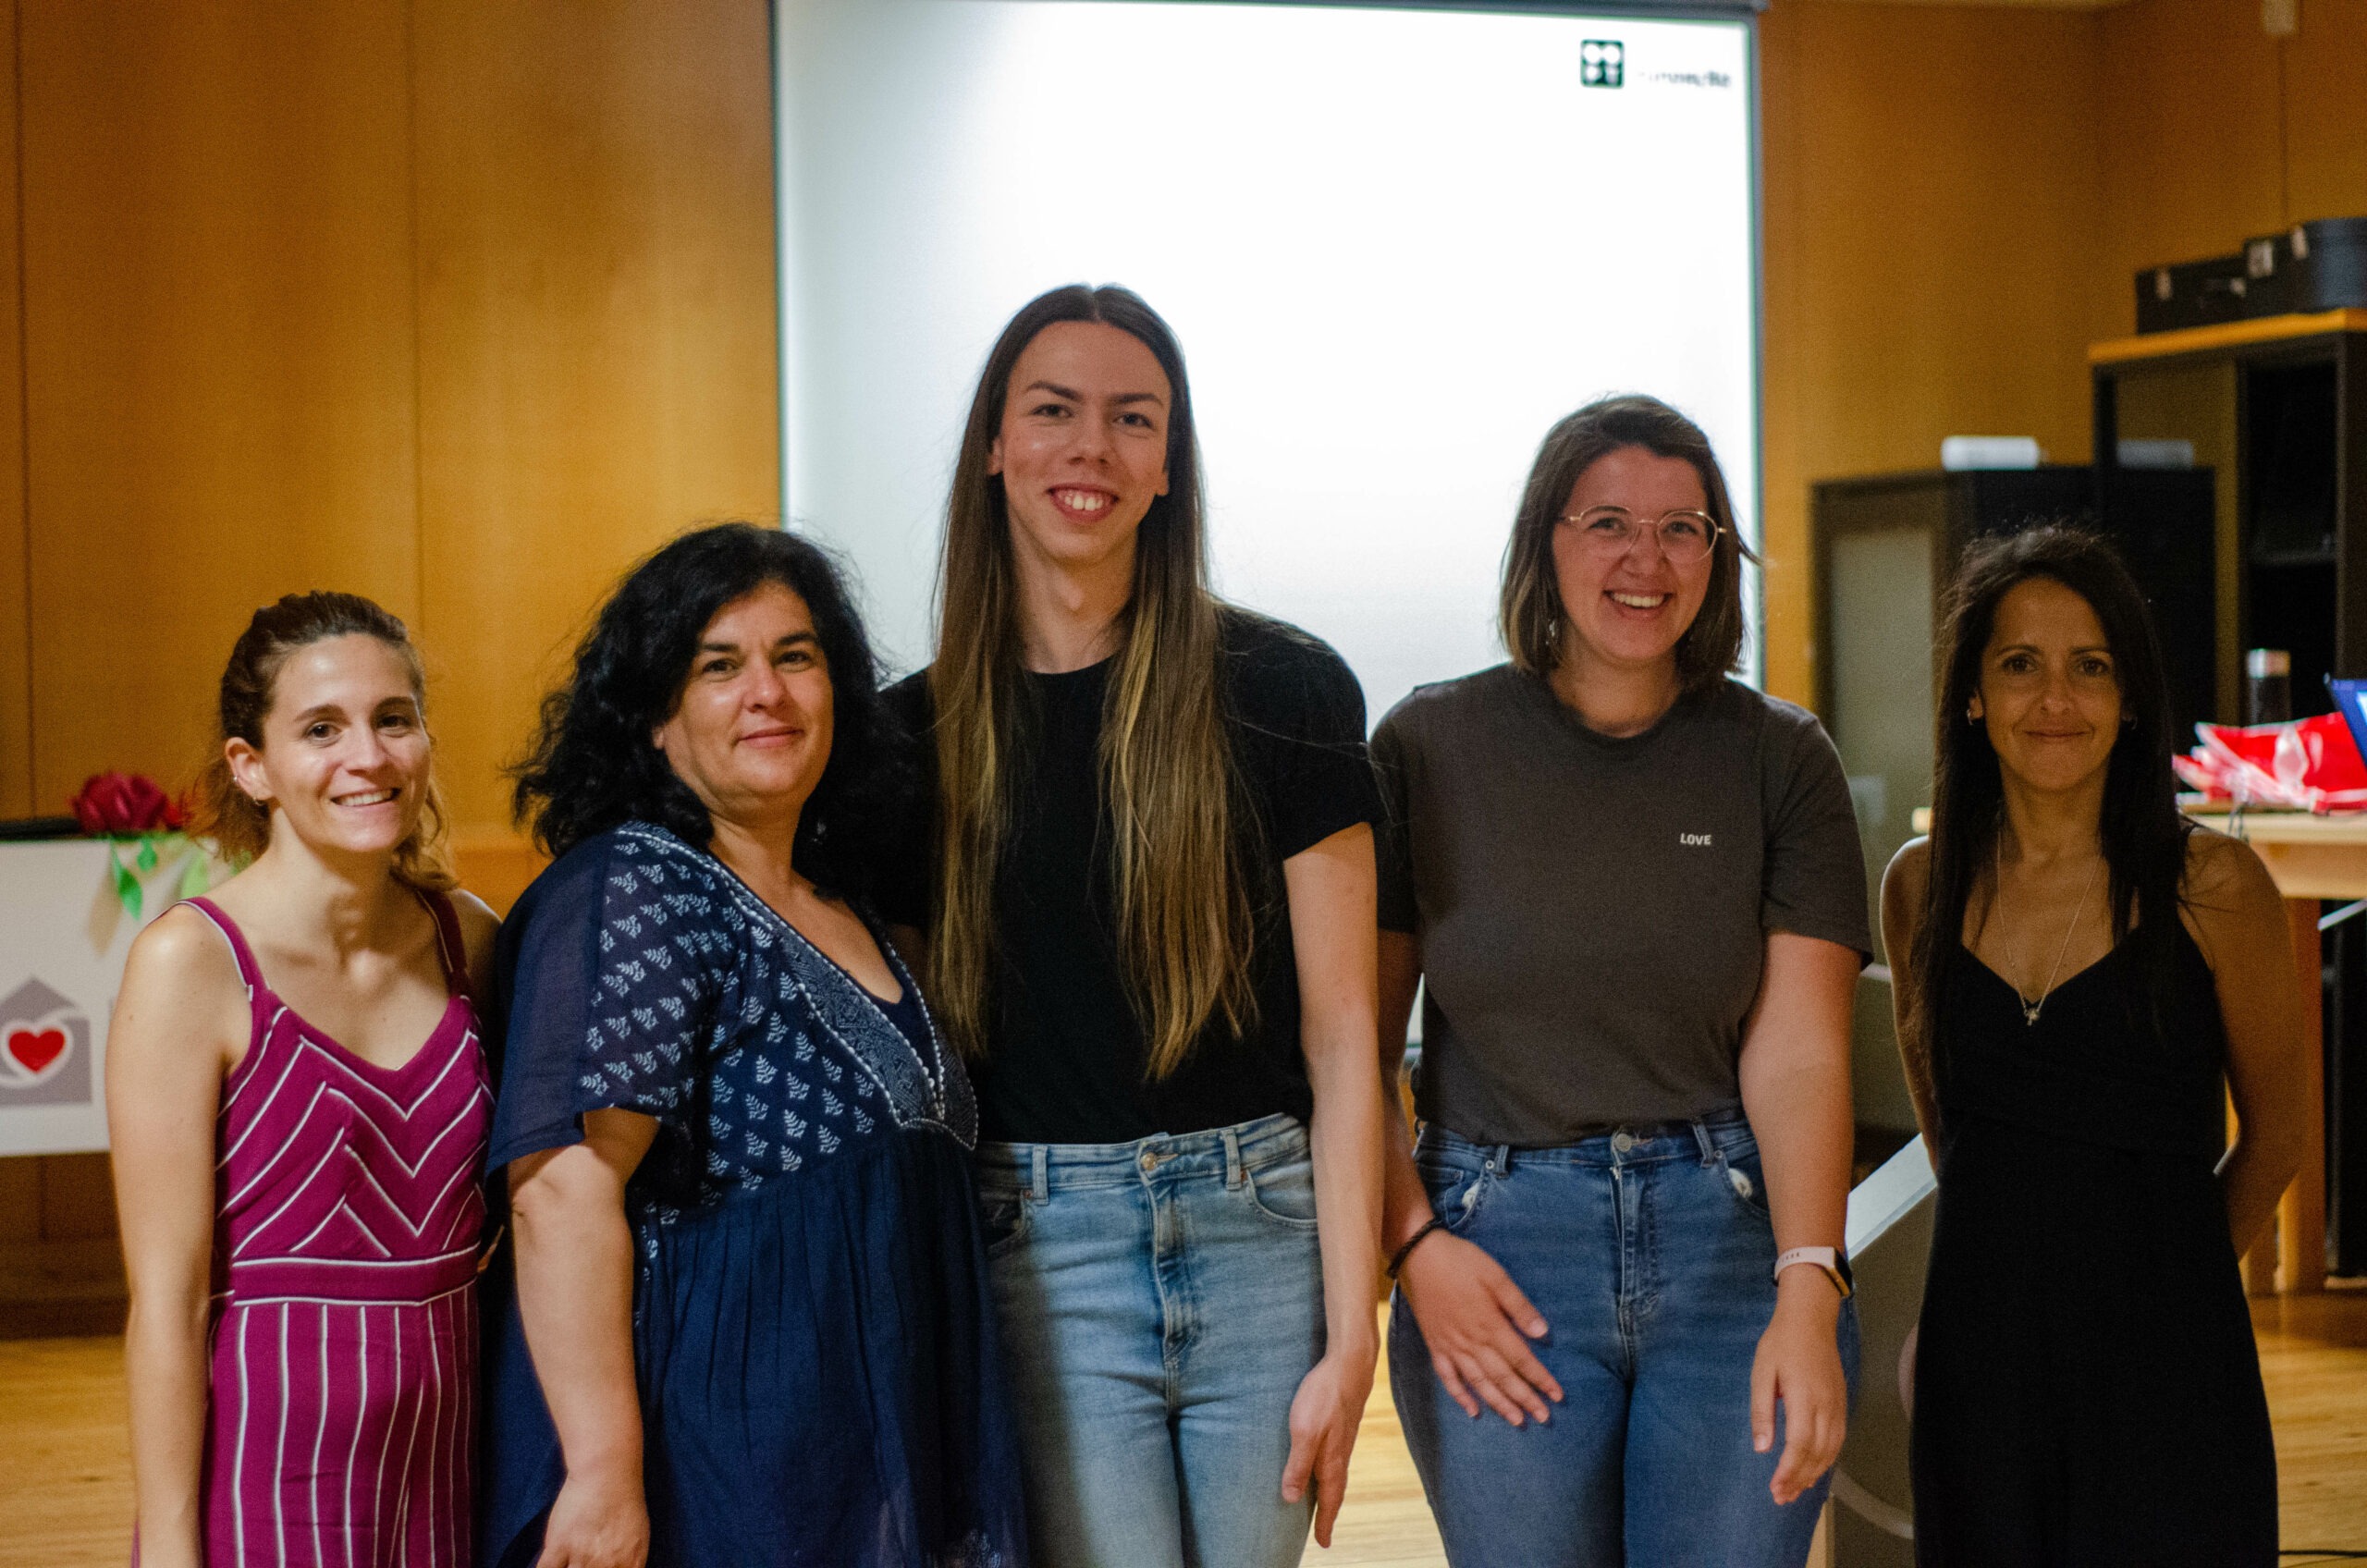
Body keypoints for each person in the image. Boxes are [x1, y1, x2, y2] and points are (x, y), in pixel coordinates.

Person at [879, 284, 1387, 1568]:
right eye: (1054, 411)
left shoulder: (1285, 689)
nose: (1091, 448)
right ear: (994, 445)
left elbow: (1344, 1036)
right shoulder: (906, 740)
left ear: (1168, 465)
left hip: (1262, 1225)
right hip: (1039, 1251)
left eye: (1133, 418)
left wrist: (1354, 1331)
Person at [1372, 394, 1864, 1567]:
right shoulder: (1427, 748)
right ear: (1544, 543)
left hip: (1732, 1240)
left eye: (1681, 528)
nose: (1646, 560)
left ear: (1716, 554)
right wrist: (1413, 1250)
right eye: (1606, 523)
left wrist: (1810, 1283)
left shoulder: (1780, 758)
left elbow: (1799, 1052)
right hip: (1497, 1246)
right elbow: (1352, 1047)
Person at [479, 522, 1024, 1568]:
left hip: (865, 1451)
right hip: (722, 1469)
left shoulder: (844, 900)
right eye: (718, 666)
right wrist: (603, 1471)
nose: (766, 692)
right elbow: (563, 1193)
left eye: (795, 657)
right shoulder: (636, 886)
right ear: (654, 717)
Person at [1882, 526, 2307, 1566]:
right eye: (2019, 664)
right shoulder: (1919, 884)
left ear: (2130, 698)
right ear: (1972, 694)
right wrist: (1981, 1303)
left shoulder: (2216, 888)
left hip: (2167, 1366)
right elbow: (1949, 1127)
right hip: (1979, 1361)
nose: (2055, 700)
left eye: (2091, 667)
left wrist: (2170, 1293)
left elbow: (2280, 1135)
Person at [108, 592, 498, 1568]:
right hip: (270, 1470)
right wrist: (170, 1549)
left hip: (454, 1457)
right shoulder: (191, 965)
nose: (367, 755)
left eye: (393, 718)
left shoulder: (472, 939)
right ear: (253, 767)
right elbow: (167, 1303)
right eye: (321, 729)